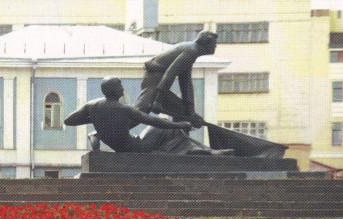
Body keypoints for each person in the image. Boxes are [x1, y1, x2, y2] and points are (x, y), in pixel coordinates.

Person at [65, 77, 229, 155]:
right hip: (136, 148)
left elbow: (69, 120)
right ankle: (206, 151)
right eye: (120, 85)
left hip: (122, 147)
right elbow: (155, 121)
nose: (123, 88)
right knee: (167, 124)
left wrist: (94, 118)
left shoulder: (92, 106)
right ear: (114, 90)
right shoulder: (125, 109)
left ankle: (201, 150)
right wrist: (181, 124)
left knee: (166, 128)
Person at [133, 30, 218, 128]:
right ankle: (118, 131)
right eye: (214, 43)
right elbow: (170, 74)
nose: (216, 46)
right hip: (153, 81)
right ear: (206, 42)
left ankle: (177, 140)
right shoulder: (191, 51)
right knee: (140, 113)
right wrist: (158, 100)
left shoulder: (192, 51)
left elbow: (186, 83)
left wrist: (190, 112)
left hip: (156, 81)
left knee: (182, 111)